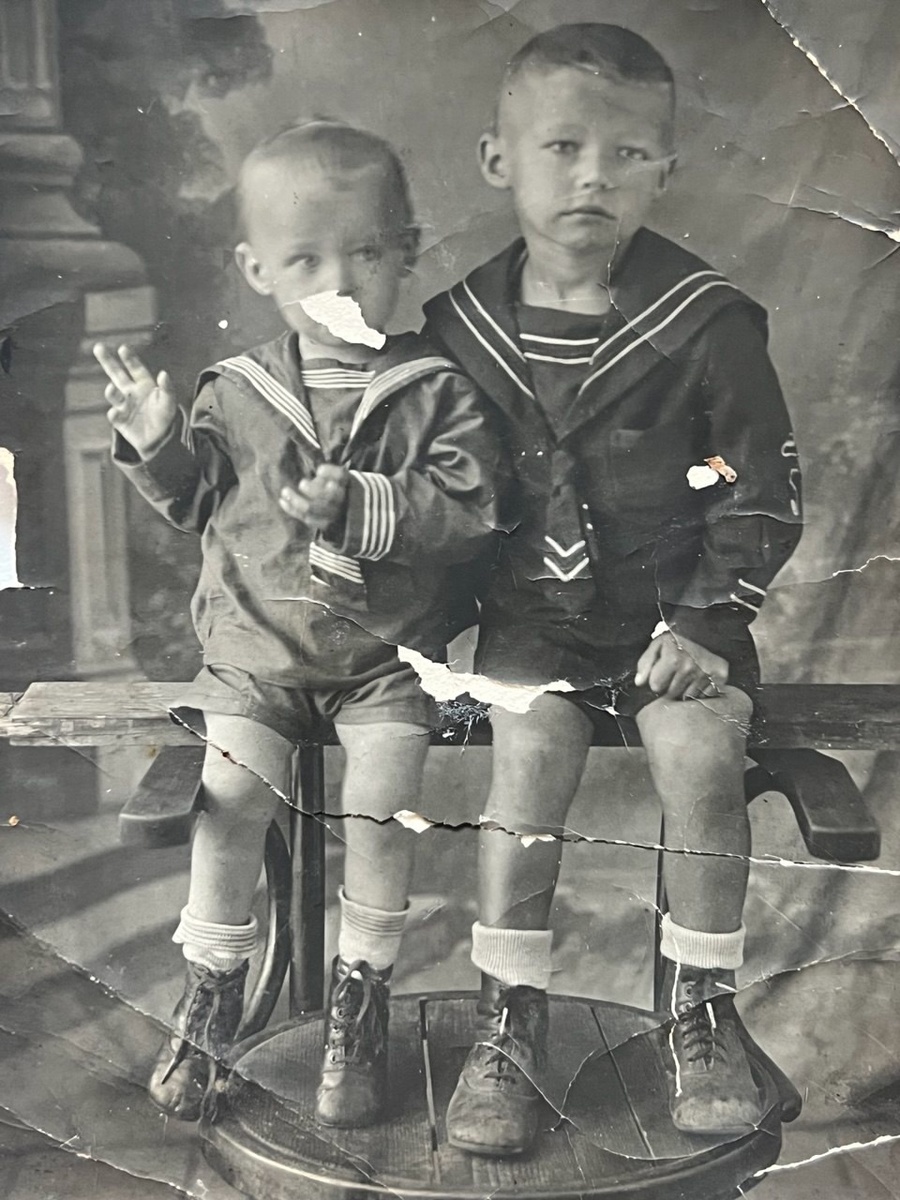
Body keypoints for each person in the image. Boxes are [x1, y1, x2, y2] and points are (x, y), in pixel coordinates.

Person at [423, 24, 803, 1156]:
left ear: (666, 171)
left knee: (699, 756)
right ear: (498, 159)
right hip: (532, 629)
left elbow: (757, 482)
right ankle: (509, 1017)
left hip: (673, 624)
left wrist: (708, 620)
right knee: (529, 763)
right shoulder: (459, 330)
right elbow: (440, 499)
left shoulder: (705, 323)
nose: (594, 175)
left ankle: (701, 1012)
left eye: (628, 154)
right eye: (564, 147)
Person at [96, 118, 504, 1130]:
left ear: (407, 251)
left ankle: (358, 1006)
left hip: (384, 661)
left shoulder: (436, 392)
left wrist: (366, 503)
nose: (339, 282)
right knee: (232, 795)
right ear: (256, 271)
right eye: (305, 261)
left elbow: (474, 511)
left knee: (380, 802)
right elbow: (195, 502)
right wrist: (156, 442)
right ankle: (212, 995)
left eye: (365, 253)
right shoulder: (236, 392)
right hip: (256, 657)